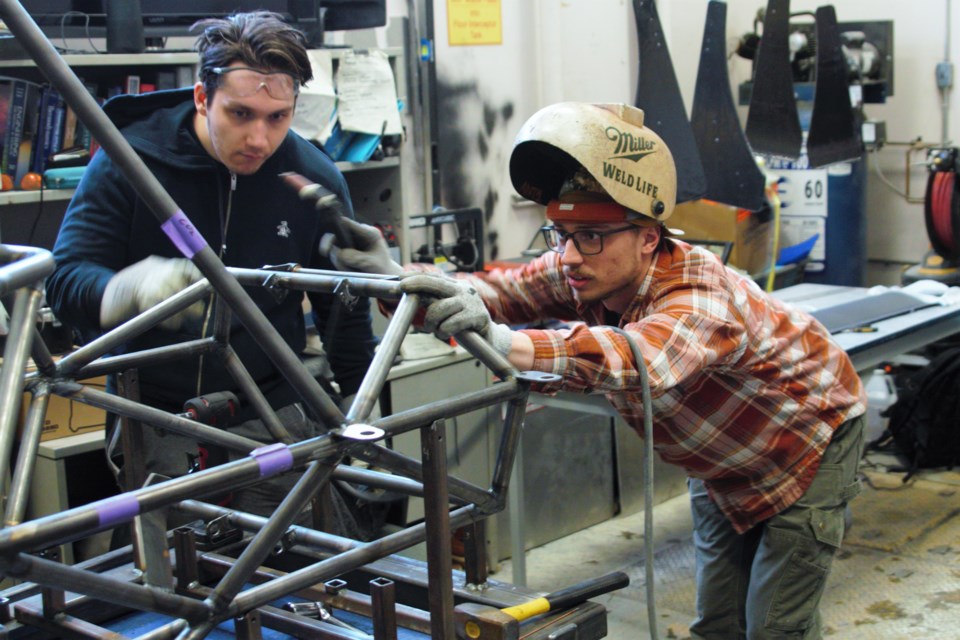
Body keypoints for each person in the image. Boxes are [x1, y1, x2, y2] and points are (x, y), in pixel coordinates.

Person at [325, 102, 867, 638]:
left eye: (592, 237)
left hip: (805, 444)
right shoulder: (585, 267)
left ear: (649, 236)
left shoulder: (698, 291)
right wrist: (398, 277)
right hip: (724, 460)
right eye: (562, 235)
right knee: (719, 623)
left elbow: (637, 357)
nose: (570, 256)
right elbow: (498, 291)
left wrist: (503, 341)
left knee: (776, 629)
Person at [45, 12, 379, 537]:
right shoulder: (129, 160)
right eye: (240, 113)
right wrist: (123, 289)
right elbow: (64, 282)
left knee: (303, 567)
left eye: (278, 117)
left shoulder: (312, 177)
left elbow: (346, 308)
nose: (259, 138)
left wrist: (362, 421)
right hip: (158, 414)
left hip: (272, 412)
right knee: (183, 581)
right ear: (202, 97)